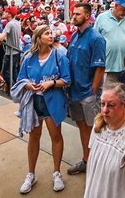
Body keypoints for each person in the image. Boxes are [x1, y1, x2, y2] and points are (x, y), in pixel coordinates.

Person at [16, 25, 72, 194]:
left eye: (51, 32)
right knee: (34, 137)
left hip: (53, 101)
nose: (51, 35)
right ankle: (31, 174)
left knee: (56, 136)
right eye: (47, 33)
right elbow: (20, 79)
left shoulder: (59, 56)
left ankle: (56, 172)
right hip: (33, 103)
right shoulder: (28, 57)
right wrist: (28, 85)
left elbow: (67, 79)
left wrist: (52, 83)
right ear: (38, 37)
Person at [66, 2, 106, 176]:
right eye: (73, 14)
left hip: (88, 93)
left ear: (87, 17)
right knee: (82, 127)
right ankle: (87, 160)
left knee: (96, 129)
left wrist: (93, 90)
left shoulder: (96, 38)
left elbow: (100, 67)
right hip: (74, 91)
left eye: (77, 14)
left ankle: (100, 164)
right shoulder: (74, 36)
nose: (74, 16)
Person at [96, 0, 125, 83]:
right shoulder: (102, 18)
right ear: (116, 6)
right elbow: (95, 42)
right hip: (108, 68)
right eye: (123, 9)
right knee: (109, 95)